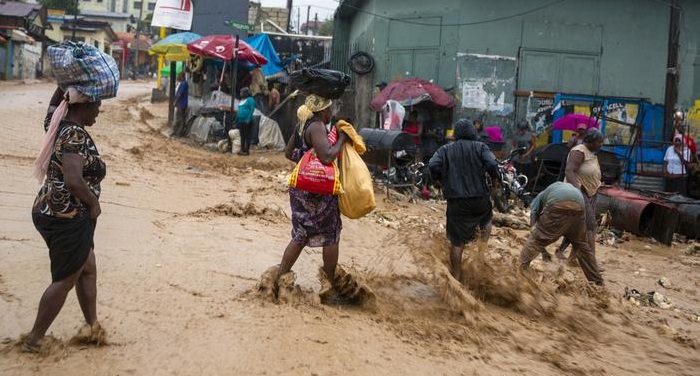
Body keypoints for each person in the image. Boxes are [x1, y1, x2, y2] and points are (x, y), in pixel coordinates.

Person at [25, 87, 106, 352]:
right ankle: (35, 339)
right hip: (67, 216)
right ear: (84, 106)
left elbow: (51, 110)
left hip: (50, 209)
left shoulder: (59, 122)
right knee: (65, 279)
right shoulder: (73, 133)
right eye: (97, 106)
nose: (99, 112)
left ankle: (92, 326)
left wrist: (64, 85)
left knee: (88, 268)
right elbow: (74, 180)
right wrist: (94, 204)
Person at [278, 94, 349, 302]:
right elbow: (327, 156)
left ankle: (278, 279)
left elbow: (288, 153)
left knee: (300, 234)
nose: (331, 113)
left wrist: (307, 162)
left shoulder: (302, 125)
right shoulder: (317, 126)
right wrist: (342, 139)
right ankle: (329, 288)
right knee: (330, 234)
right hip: (318, 191)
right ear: (322, 111)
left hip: (300, 190)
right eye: (329, 109)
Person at [429, 119, 499, 280]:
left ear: (456, 134)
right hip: (480, 198)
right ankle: (481, 251)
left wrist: (438, 180)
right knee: (487, 218)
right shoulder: (481, 147)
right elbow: (492, 164)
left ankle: (456, 278)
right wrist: (495, 181)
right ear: (473, 133)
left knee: (457, 241)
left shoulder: (445, 150)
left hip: (456, 201)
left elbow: (432, 165)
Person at [519, 182, 604, 285]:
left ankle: (520, 271)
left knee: (535, 240)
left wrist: (534, 231)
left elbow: (534, 215)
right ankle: (598, 282)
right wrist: (544, 252)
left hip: (559, 202)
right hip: (579, 205)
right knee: (581, 246)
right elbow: (569, 233)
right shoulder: (554, 189)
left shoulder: (540, 196)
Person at [556, 129, 604, 262]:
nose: (601, 144)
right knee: (590, 226)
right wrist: (577, 191)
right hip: (579, 192)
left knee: (577, 226)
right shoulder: (579, 151)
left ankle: (571, 258)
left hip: (589, 193)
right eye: (599, 142)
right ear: (592, 142)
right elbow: (569, 171)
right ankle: (591, 262)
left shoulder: (590, 153)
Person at [235, 87, 256, 156]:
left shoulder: (250, 100)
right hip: (241, 121)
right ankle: (242, 149)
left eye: (242, 92)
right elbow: (238, 111)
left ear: (246, 93)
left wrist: (248, 119)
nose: (240, 93)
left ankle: (247, 151)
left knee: (247, 136)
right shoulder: (241, 101)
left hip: (247, 121)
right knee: (242, 136)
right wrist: (235, 120)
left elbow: (252, 110)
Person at [172, 72, 189, 137]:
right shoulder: (182, 83)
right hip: (180, 103)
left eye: (178, 76)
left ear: (182, 77)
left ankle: (179, 133)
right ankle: (175, 131)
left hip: (182, 104)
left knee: (181, 119)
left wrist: (175, 101)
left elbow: (180, 94)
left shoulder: (184, 84)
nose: (177, 77)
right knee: (178, 118)